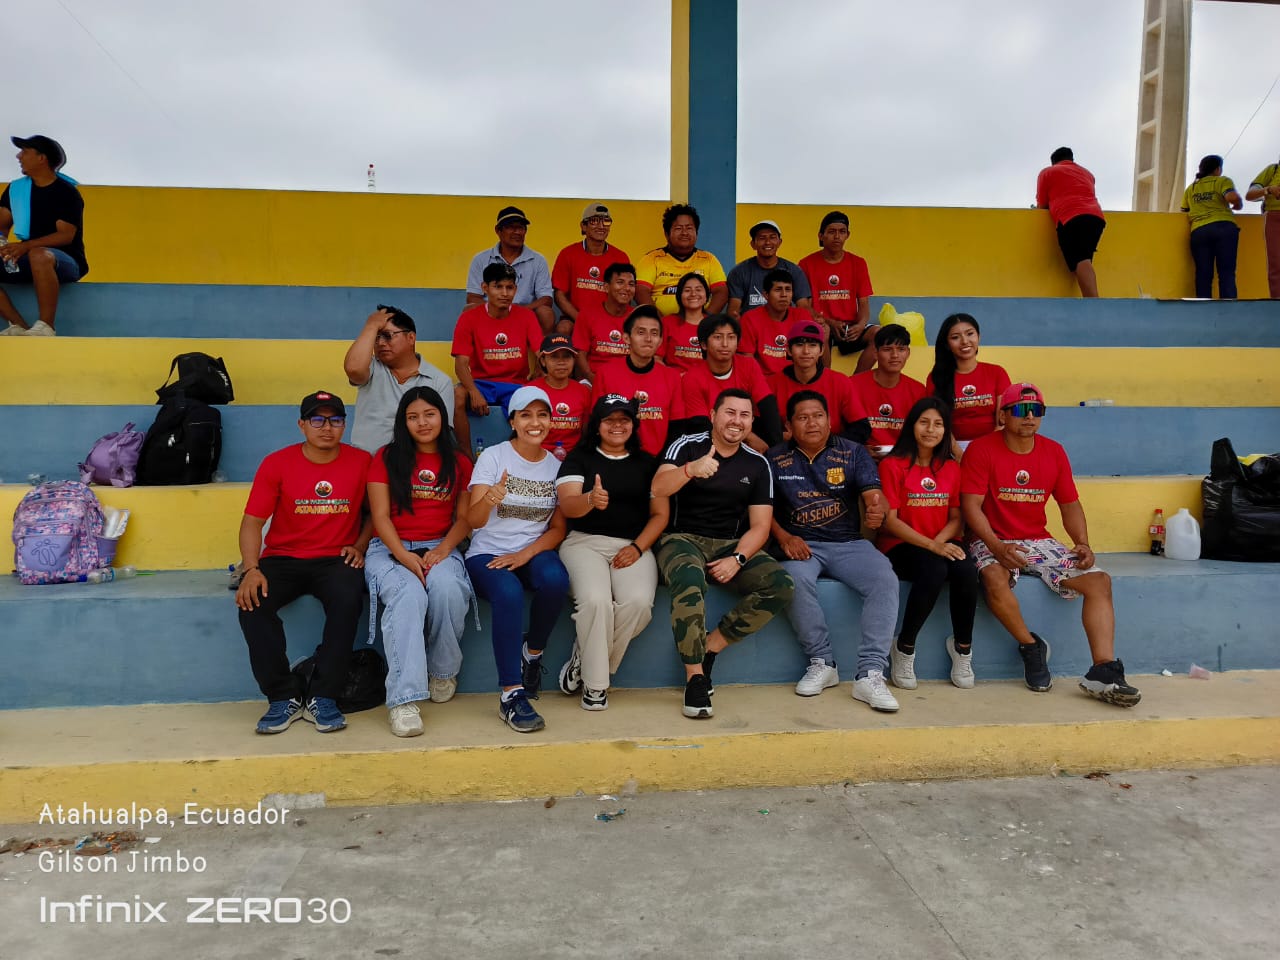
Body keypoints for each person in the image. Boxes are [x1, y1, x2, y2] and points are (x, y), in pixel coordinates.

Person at [960, 383, 1141, 707]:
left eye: (1037, 411)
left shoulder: (1054, 451)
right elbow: (971, 506)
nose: (1029, 417)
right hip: (991, 537)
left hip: (1038, 540)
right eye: (1020, 410)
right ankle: (1031, 647)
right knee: (992, 576)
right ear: (1003, 415)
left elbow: (1069, 504)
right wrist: (996, 546)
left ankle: (1103, 670)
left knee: (1099, 580)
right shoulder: (981, 449)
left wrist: (1082, 543)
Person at [235, 391, 372, 735]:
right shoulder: (277, 463)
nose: (327, 427)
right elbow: (252, 522)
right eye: (317, 419)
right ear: (302, 425)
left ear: (344, 424)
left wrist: (359, 545)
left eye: (335, 420)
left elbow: (376, 513)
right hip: (283, 558)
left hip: (336, 558)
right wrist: (251, 569)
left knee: (348, 598)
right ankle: (283, 695)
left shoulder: (362, 461)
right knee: (252, 604)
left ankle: (323, 695)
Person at [652, 388, 794, 719]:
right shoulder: (687, 446)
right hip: (681, 538)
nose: (737, 421)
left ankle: (710, 648)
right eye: (730, 412)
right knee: (689, 579)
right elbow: (657, 487)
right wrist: (690, 470)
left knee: (780, 585)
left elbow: (761, 526)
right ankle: (695, 678)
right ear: (713, 415)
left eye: (745, 415)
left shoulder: (757, 463)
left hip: (730, 543)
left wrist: (738, 558)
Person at [768, 391, 900, 712]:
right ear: (789, 426)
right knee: (792, 580)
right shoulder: (774, 458)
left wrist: (876, 509)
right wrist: (784, 537)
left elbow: (874, 494)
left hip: (848, 543)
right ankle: (822, 662)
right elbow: (761, 509)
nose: (812, 423)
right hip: (801, 545)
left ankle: (870, 674)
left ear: (829, 420)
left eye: (818, 416)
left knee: (884, 578)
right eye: (802, 417)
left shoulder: (853, 452)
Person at [365, 388, 474, 737]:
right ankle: (404, 700)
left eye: (429, 414)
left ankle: (442, 672)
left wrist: (442, 551)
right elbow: (380, 516)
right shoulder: (386, 457)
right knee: (408, 595)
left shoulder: (459, 462)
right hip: (389, 546)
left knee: (448, 587)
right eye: (413, 417)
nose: (422, 423)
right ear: (403, 422)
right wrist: (402, 555)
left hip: (440, 544)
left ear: (442, 416)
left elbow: (464, 518)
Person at [465, 386, 570, 733]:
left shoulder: (557, 467)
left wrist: (524, 554)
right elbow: (473, 521)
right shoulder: (493, 458)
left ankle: (532, 654)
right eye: (526, 415)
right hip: (487, 553)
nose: (534, 422)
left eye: (542, 415)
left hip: (529, 552)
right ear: (512, 421)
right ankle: (511, 694)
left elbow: (558, 529)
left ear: (551, 421)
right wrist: (489, 499)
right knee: (508, 592)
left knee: (556, 580)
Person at [555, 395, 669, 710]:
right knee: (596, 602)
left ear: (633, 425)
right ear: (597, 425)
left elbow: (660, 515)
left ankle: (585, 655)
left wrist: (637, 547)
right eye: (609, 419)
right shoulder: (579, 458)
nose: (617, 425)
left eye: (624, 419)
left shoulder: (648, 463)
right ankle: (595, 687)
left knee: (638, 604)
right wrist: (590, 499)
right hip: (584, 542)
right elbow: (568, 505)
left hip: (633, 545)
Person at [878, 397, 979, 691]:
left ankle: (962, 648)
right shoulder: (892, 465)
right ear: (912, 425)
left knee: (966, 570)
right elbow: (890, 521)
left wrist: (938, 543)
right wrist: (932, 547)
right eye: (924, 422)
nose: (930, 430)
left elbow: (957, 518)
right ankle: (904, 647)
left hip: (941, 540)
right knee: (934, 569)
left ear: (946, 431)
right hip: (900, 544)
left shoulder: (951, 468)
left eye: (938, 424)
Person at [0, 135, 88, 336]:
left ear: (42, 158)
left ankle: (46, 326)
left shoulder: (66, 192)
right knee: (35, 254)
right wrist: (3, 245)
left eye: (25, 152)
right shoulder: (15, 190)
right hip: (28, 258)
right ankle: (18, 326)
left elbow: (65, 236)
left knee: (39, 254)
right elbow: (2, 226)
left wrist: (25, 246)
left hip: (65, 262)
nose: (18, 156)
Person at [344, 305, 459, 453]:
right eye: (376, 337)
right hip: (366, 461)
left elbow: (440, 433)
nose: (380, 343)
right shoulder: (371, 367)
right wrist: (371, 326)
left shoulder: (439, 381)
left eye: (387, 335)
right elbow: (354, 369)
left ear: (411, 338)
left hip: (411, 464)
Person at [452, 262, 543, 419]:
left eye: (509, 287)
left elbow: (542, 353)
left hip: (516, 385)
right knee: (458, 394)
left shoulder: (526, 316)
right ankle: (463, 438)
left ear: (515, 289)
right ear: (485, 288)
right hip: (482, 384)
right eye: (498, 287)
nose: (504, 293)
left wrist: (538, 373)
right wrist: (473, 392)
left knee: (537, 400)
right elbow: (461, 364)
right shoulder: (469, 318)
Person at [680, 314, 782, 452]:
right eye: (717, 337)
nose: (725, 344)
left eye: (731, 337)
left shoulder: (749, 365)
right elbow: (701, 425)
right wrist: (749, 438)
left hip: (745, 426)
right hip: (712, 440)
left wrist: (776, 449)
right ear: (703, 344)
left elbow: (767, 405)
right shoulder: (692, 377)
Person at [592, 305, 685, 456]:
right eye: (641, 332)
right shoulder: (605, 373)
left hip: (659, 460)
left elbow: (677, 426)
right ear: (626, 338)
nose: (648, 339)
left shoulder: (672, 377)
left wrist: (665, 462)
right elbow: (597, 422)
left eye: (654, 333)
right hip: (618, 457)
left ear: (660, 341)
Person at [797, 211, 877, 372]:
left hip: (849, 327)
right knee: (823, 330)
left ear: (848, 235)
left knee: (880, 334)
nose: (837, 237)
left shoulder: (858, 263)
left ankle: (856, 381)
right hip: (821, 323)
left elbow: (863, 303)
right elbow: (804, 306)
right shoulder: (806, 264)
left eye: (842, 232)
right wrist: (829, 322)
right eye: (832, 232)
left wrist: (860, 325)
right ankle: (826, 381)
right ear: (821, 236)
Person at [766, 319, 869, 442]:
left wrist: (824, 444)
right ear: (788, 350)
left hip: (832, 448)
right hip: (787, 449)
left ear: (821, 350)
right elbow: (758, 426)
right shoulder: (771, 384)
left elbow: (861, 428)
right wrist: (779, 438)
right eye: (799, 345)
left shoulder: (840, 382)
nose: (806, 351)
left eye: (812, 345)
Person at [926, 313, 1010, 449]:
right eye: (955, 337)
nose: (964, 341)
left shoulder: (997, 372)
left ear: (979, 336)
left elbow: (1003, 421)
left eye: (970, 334)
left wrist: (985, 451)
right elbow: (937, 422)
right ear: (947, 344)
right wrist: (957, 453)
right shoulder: (936, 377)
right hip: (950, 448)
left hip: (992, 446)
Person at [466, 205, 556, 333]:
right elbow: (473, 297)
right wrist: (498, 310)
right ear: (498, 231)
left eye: (521, 228)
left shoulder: (538, 260)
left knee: (546, 313)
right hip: (491, 313)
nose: (517, 232)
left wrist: (516, 312)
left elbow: (546, 299)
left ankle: (540, 347)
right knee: (469, 309)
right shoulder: (481, 259)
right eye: (511, 227)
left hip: (525, 314)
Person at [1036, 147, 1105, 298]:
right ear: (1071, 159)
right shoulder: (1088, 174)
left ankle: (1093, 303)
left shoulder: (1048, 173)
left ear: (1054, 162)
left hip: (1071, 217)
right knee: (1082, 260)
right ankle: (1090, 298)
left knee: (1081, 259)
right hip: (1096, 217)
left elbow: (1042, 204)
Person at [635, 203, 728, 316]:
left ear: (696, 232)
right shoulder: (651, 259)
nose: (684, 233)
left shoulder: (709, 259)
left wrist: (705, 320)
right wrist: (658, 321)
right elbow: (641, 291)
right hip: (661, 323)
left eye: (689, 228)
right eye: (678, 228)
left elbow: (721, 292)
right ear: (667, 234)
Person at [849, 323, 927, 458]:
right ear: (875, 353)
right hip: (860, 459)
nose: (895, 355)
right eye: (887, 349)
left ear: (908, 353)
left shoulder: (918, 390)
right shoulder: (853, 385)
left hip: (903, 459)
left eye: (901, 349)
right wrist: (858, 449)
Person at [552, 202, 629, 323]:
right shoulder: (567, 254)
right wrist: (581, 319)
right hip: (575, 318)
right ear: (583, 226)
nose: (601, 226)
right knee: (563, 328)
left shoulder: (620, 257)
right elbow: (559, 295)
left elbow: (625, 294)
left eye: (606, 221)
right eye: (594, 221)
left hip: (610, 318)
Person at [1182, 155, 1243, 300]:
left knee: (1203, 273)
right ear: (1217, 169)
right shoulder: (1222, 181)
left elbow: (1184, 211)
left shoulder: (1191, 189)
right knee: (1226, 271)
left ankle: (1203, 307)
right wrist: (1238, 204)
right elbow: (1232, 197)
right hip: (1224, 227)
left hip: (1199, 231)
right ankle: (1229, 307)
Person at [738, 269, 820, 376]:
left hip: (796, 379)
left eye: (788, 289)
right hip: (763, 381)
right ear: (765, 294)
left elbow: (811, 356)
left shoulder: (802, 316)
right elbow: (747, 361)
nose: (784, 295)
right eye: (778, 290)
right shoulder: (750, 319)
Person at [726, 219, 812, 319]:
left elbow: (803, 307)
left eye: (772, 237)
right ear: (753, 244)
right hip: (751, 326)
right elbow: (734, 310)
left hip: (786, 326)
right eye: (762, 238)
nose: (767, 242)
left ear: (779, 242)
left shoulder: (794, 271)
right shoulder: (739, 272)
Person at [572, 261, 636, 381]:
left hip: (629, 379)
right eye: (620, 282)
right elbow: (580, 353)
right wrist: (591, 377)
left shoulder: (638, 317)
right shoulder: (587, 314)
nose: (627, 288)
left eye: (631, 284)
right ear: (606, 287)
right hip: (593, 378)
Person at [529, 334, 591, 455]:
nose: (561, 362)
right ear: (543, 361)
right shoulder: (530, 390)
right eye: (554, 357)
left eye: (567, 357)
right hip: (537, 455)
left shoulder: (583, 391)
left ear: (574, 360)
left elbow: (586, 433)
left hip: (574, 457)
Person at [661, 271, 710, 372]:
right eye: (687, 290)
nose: (693, 294)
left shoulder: (715, 325)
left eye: (698, 289)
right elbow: (656, 358)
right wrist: (673, 377)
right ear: (679, 296)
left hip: (705, 380)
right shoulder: (667, 323)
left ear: (706, 296)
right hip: (674, 379)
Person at [1245, 154, 1280, 298]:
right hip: (1274, 218)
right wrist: (1269, 190)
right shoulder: (1273, 170)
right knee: (1276, 263)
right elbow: (1250, 195)